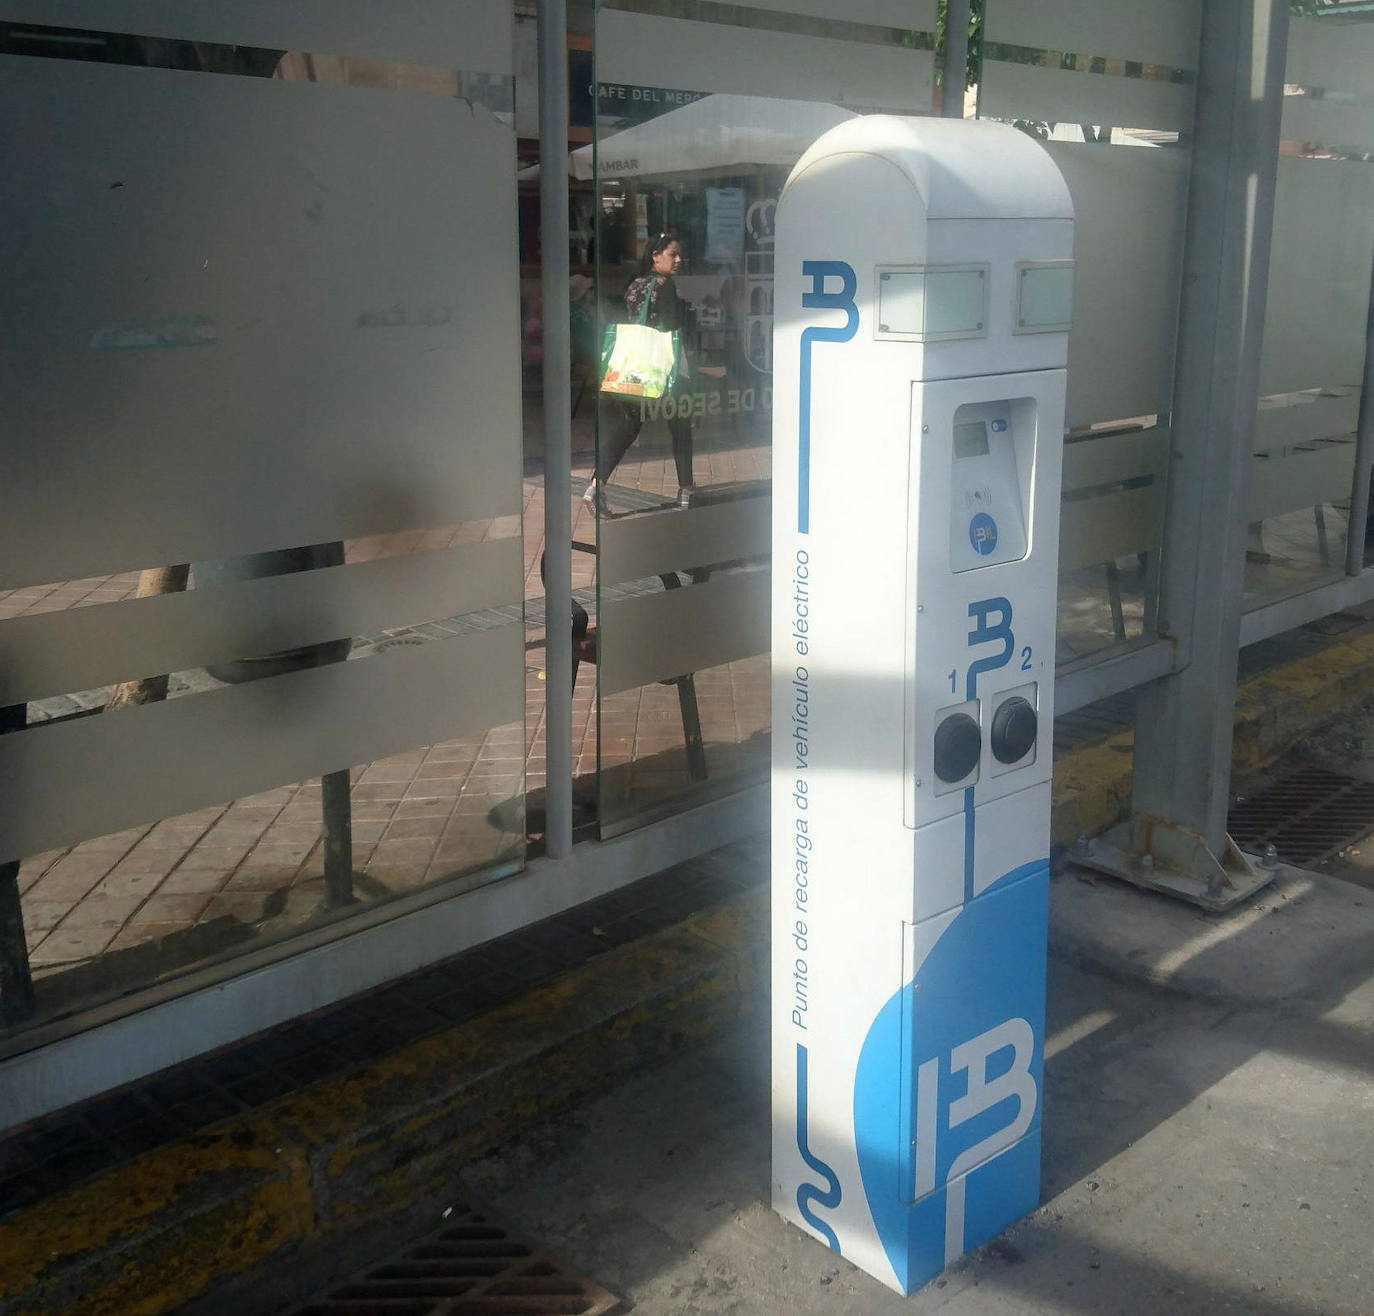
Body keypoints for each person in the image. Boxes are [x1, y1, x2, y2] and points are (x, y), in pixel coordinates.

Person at [586, 232, 696, 513]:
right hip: (660, 364)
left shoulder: (635, 283)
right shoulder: (666, 285)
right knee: (680, 421)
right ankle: (686, 489)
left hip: (634, 364)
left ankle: (596, 486)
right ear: (655, 255)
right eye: (673, 254)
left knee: (629, 425)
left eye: (679, 254)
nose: (679, 260)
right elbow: (670, 327)